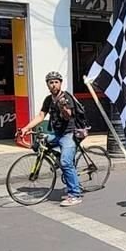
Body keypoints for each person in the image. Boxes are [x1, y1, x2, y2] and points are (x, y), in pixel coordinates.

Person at [20, 71, 83, 207]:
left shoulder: (66, 97)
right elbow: (41, 116)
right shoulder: (49, 99)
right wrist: (26, 128)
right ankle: (58, 160)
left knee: (66, 163)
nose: (53, 85)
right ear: (47, 85)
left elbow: (68, 116)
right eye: (51, 82)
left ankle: (75, 194)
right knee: (38, 144)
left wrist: (63, 108)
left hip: (69, 134)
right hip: (56, 133)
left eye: (56, 82)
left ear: (60, 83)